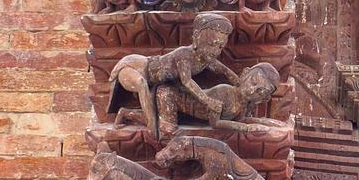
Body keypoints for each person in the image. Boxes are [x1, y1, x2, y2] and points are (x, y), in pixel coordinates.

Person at [107, 13, 240, 138]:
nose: (215, 51)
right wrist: (208, 101)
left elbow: (225, 71)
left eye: (220, 47)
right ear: (196, 38)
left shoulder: (206, 59)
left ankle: (125, 113)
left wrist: (241, 85)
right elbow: (187, 81)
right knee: (142, 85)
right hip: (135, 66)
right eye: (211, 44)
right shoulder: (184, 54)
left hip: (155, 81)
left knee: (163, 111)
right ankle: (150, 124)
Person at [115, 62, 285, 136]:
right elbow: (215, 124)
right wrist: (247, 129)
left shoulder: (244, 104)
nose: (252, 90)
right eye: (253, 82)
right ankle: (127, 114)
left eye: (260, 92)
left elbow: (244, 120)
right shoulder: (225, 92)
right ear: (245, 73)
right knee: (168, 130)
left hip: (188, 112)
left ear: (264, 98)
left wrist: (267, 123)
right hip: (170, 96)